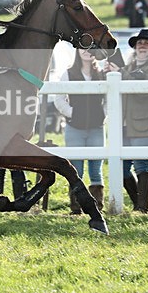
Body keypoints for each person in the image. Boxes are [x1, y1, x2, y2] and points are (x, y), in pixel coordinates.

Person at [108, 28, 148, 213]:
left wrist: (121, 74)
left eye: (146, 43)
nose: (141, 46)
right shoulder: (130, 66)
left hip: (145, 123)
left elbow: (144, 91)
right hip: (125, 124)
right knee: (122, 169)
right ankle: (137, 204)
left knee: (141, 164)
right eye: (139, 43)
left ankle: (142, 208)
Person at [54, 48, 106, 213]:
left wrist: (103, 114)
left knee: (95, 169)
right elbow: (59, 98)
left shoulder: (102, 73)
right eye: (83, 48)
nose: (87, 51)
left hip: (97, 128)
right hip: (74, 127)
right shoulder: (68, 73)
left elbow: (109, 98)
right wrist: (72, 113)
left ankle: (97, 207)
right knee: (76, 169)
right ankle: (77, 207)